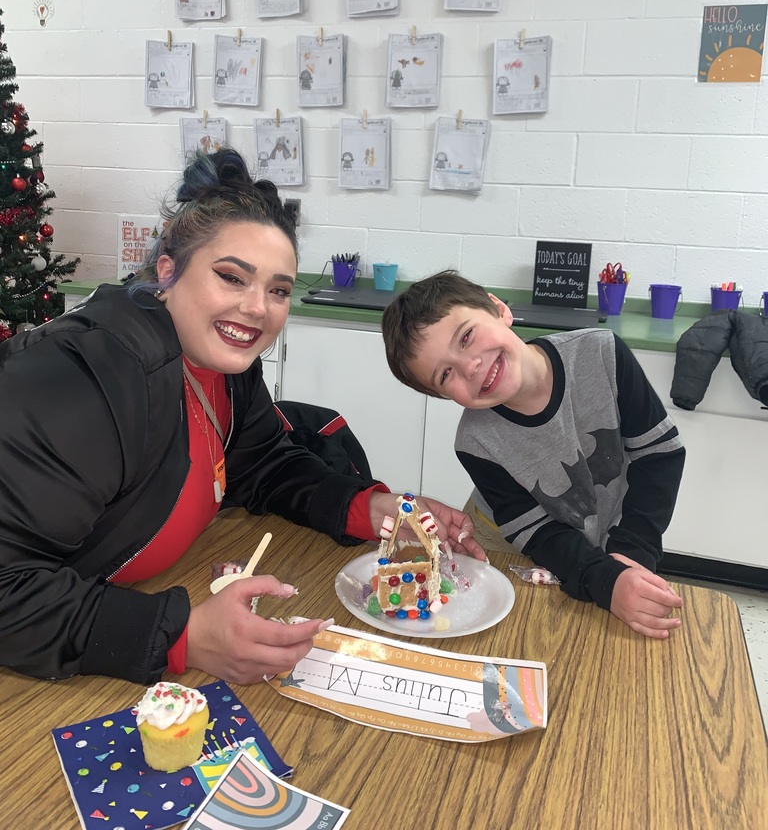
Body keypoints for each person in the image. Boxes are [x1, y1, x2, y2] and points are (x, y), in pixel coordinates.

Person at [0, 152, 482, 685]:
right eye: (232, 278)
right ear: (168, 271)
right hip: (44, 674)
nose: (258, 308)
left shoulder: (226, 368)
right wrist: (180, 637)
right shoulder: (86, 381)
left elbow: (263, 465)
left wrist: (371, 510)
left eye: (278, 290)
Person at [381, 270, 686, 640]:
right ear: (443, 396)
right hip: (507, 547)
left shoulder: (603, 352)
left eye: (466, 337)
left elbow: (659, 456)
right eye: (445, 375)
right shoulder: (475, 442)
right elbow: (538, 533)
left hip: (617, 535)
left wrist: (628, 558)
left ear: (498, 308)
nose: (470, 366)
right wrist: (603, 579)